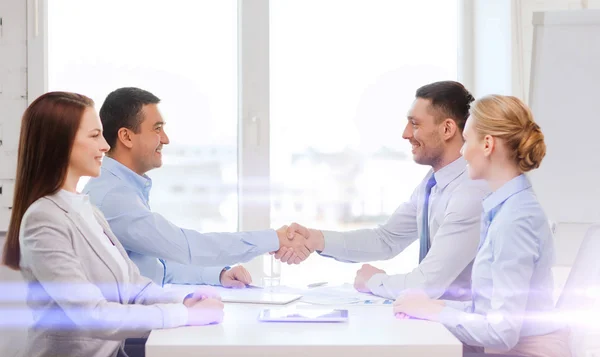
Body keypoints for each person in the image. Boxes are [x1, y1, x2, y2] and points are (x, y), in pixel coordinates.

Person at [1, 92, 225, 357]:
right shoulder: (44, 219)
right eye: (95, 136)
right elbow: (91, 314)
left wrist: (183, 300)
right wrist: (184, 315)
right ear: (61, 143)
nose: (106, 146)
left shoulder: (88, 209)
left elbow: (133, 284)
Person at [392, 95, 571, 357]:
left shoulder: (516, 220)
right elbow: (486, 311)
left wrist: (434, 310)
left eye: (467, 141)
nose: (462, 151)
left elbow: (501, 333)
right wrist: (432, 305)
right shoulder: (503, 208)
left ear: (487, 144)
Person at [281, 81, 488, 301]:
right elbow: (387, 239)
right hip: (436, 317)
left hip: (462, 327)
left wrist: (373, 281)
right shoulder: (432, 184)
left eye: (415, 124)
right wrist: (315, 239)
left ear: (447, 129)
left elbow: (426, 285)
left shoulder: (470, 191)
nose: (405, 134)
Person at [83, 87, 308, 288]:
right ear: (126, 137)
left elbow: (155, 268)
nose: (166, 139)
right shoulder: (113, 197)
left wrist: (219, 275)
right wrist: (274, 238)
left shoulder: (119, 187)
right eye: (157, 129)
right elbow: (187, 246)